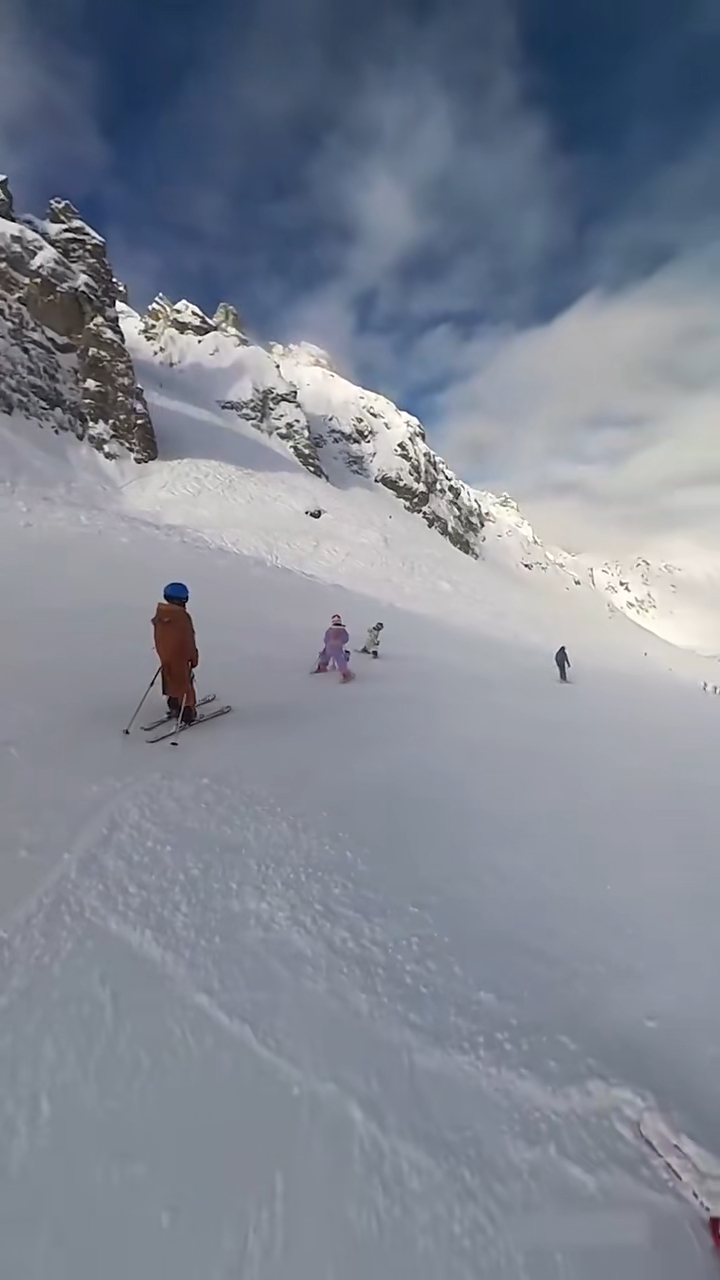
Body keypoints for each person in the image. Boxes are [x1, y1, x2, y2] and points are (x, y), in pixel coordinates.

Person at [152, 582, 199, 723]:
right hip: (180, 656)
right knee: (184, 682)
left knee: (169, 677)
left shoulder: (161, 615)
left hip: (165, 654)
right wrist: (193, 657)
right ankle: (187, 712)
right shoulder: (182, 618)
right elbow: (188, 639)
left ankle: (174, 704)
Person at [314, 614, 354, 682]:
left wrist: (328, 643)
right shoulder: (343, 631)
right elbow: (346, 639)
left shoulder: (330, 630)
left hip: (329, 646)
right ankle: (345, 673)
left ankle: (322, 666)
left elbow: (326, 639)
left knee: (325, 656)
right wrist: (341, 642)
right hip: (338, 648)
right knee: (340, 660)